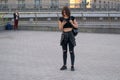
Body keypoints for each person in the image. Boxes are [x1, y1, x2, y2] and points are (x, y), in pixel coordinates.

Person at [58, 6, 78, 71]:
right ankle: (64, 65)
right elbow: (60, 29)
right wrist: (63, 24)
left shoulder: (72, 18)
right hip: (64, 35)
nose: (64, 13)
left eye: (65, 12)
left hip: (71, 35)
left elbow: (76, 26)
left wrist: (72, 23)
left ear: (68, 12)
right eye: (63, 12)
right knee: (64, 51)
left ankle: (72, 66)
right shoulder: (61, 19)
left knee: (71, 51)